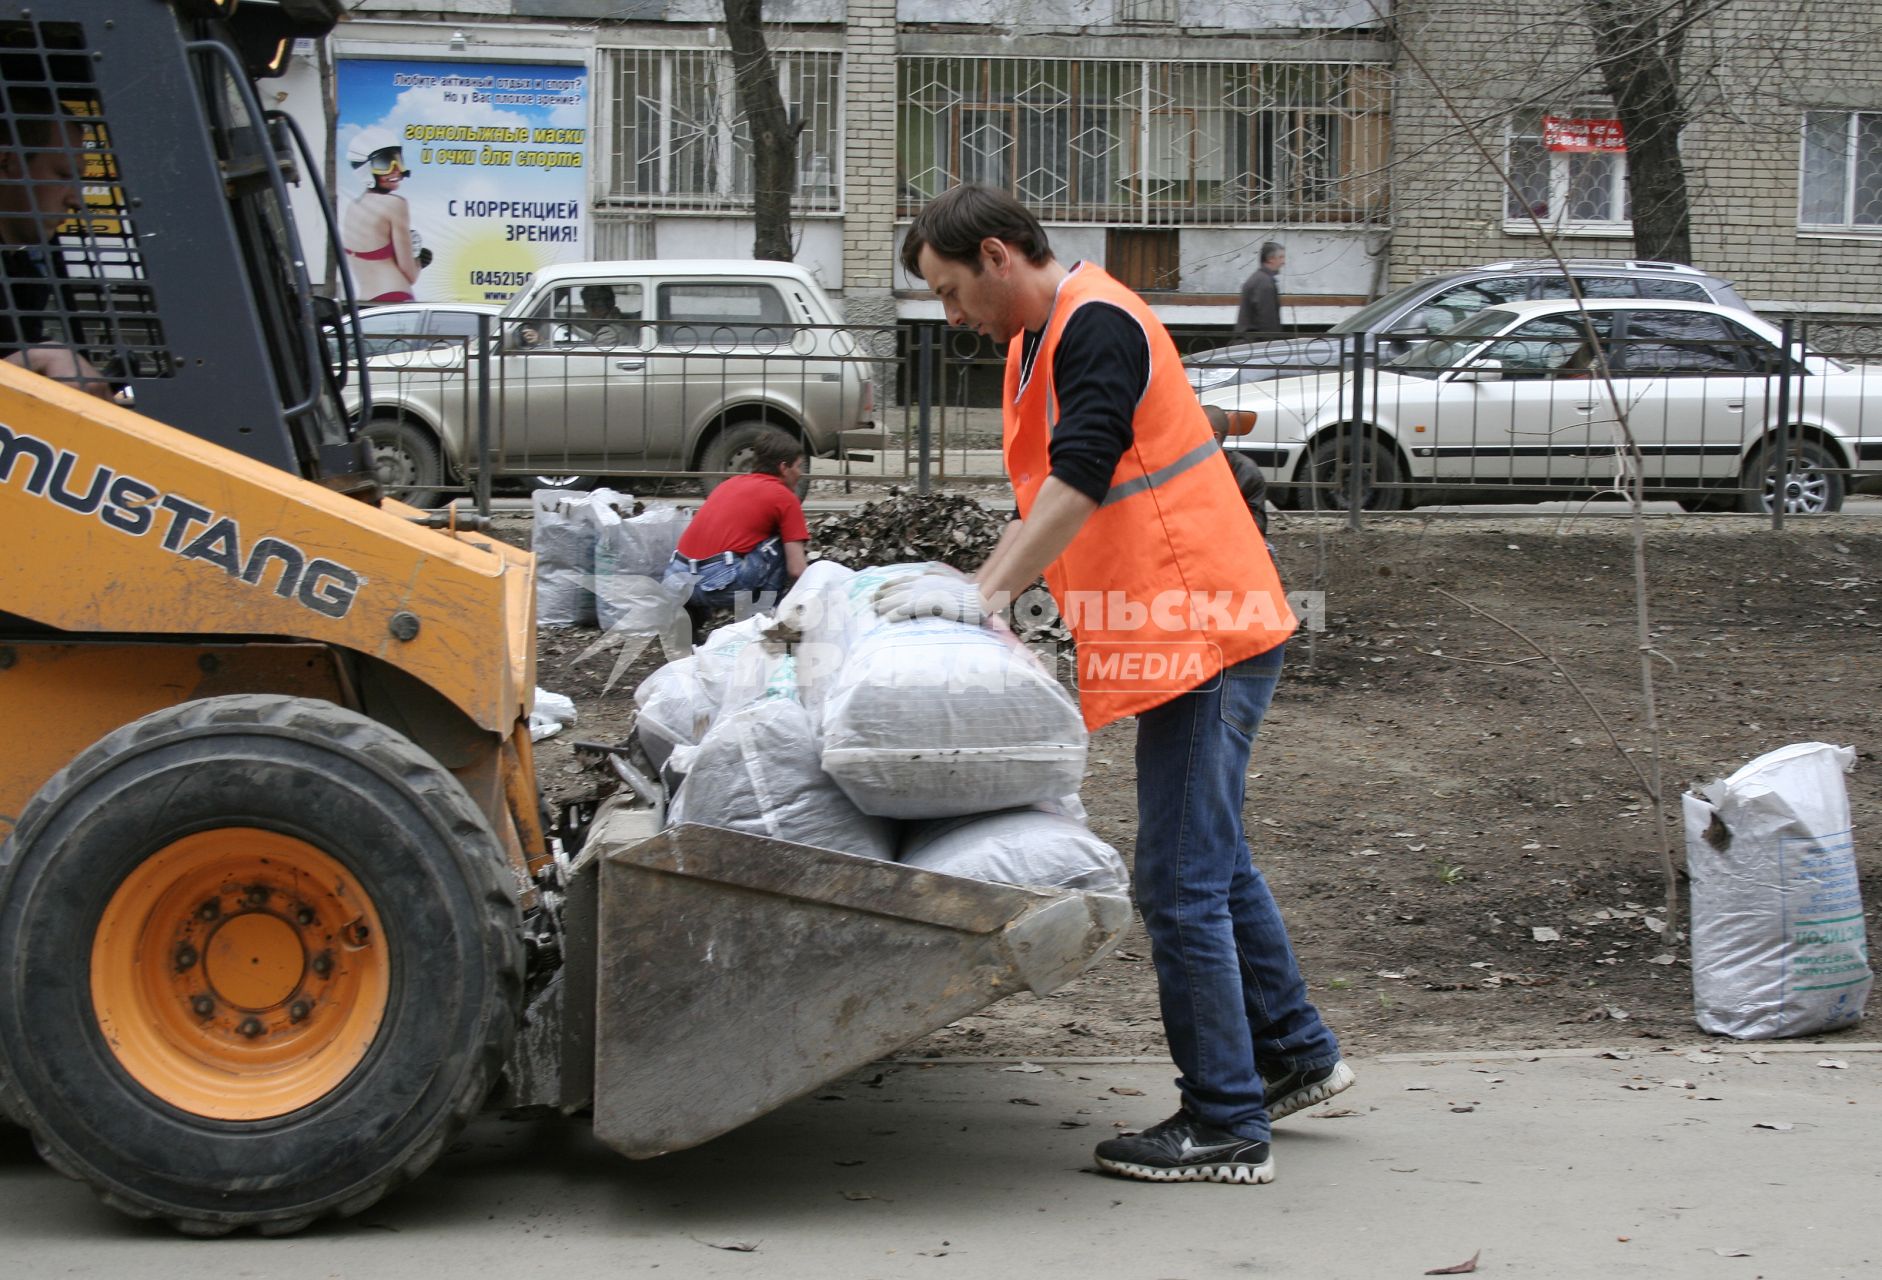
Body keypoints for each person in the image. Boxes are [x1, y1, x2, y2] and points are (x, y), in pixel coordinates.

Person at [889, 184, 1349, 1186]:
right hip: (1184, 624)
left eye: (950, 290)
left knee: (1178, 881)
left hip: (1203, 628)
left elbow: (1084, 474)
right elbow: (1053, 483)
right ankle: (1294, 1054)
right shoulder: (1044, 335)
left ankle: (1225, 1120)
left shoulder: (1094, 325)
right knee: (1211, 862)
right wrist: (986, 582)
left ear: (1001, 254)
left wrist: (988, 593)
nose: (949, 314)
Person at [1, 85, 110, 398]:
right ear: (7, 162)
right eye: (63, 176)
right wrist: (40, 358)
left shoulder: (22, 273)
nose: (76, 200)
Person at [663, 429, 809, 628]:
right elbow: (797, 569)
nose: (800, 474)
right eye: (799, 467)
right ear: (784, 467)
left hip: (675, 581)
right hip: (714, 584)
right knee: (780, 544)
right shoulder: (784, 498)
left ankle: (692, 626)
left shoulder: (730, 484)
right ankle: (763, 623)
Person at [340, 130, 429, 304]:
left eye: (398, 160)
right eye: (385, 163)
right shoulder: (395, 204)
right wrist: (420, 261)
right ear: (365, 169)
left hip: (365, 301)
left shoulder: (352, 207)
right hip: (395, 295)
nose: (396, 169)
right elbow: (410, 275)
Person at [1234, 241, 1285, 337]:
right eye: (1281, 257)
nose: (1283, 262)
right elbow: (1268, 320)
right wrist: (1272, 344)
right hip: (1256, 345)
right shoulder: (1265, 283)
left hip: (1249, 343)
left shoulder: (1258, 279)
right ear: (1270, 259)